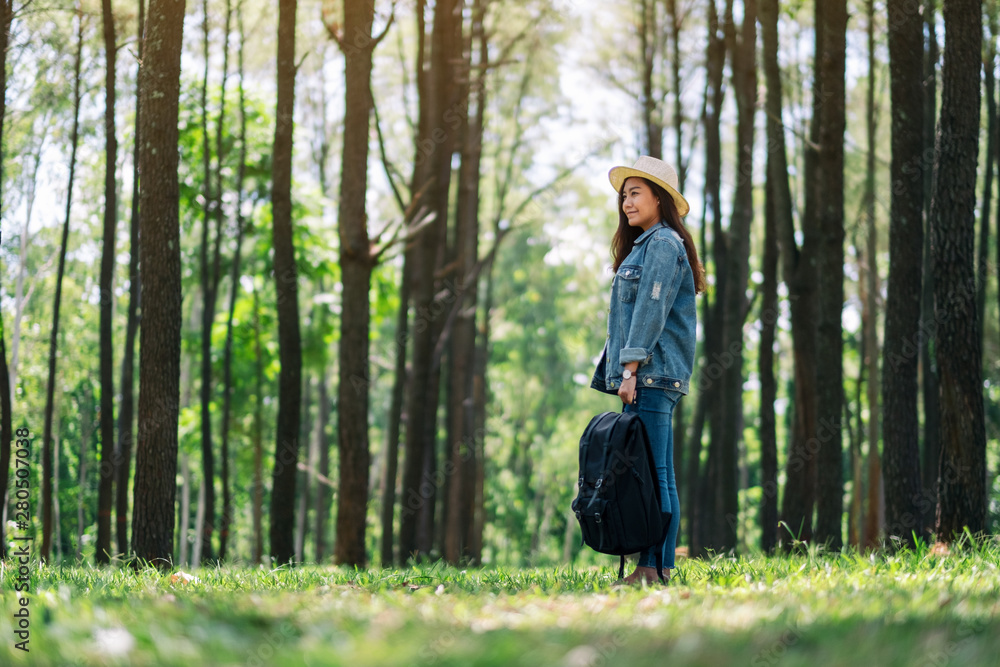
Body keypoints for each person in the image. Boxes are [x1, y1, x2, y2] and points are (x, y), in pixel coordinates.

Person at [590, 155, 705, 585]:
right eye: (624, 195)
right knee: (651, 474)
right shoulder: (650, 244)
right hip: (647, 374)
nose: (626, 201)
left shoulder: (662, 244)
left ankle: (655, 569)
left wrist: (631, 369)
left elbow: (651, 309)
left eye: (636, 192)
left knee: (656, 475)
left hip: (652, 375)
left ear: (660, 198)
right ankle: (652, 566)